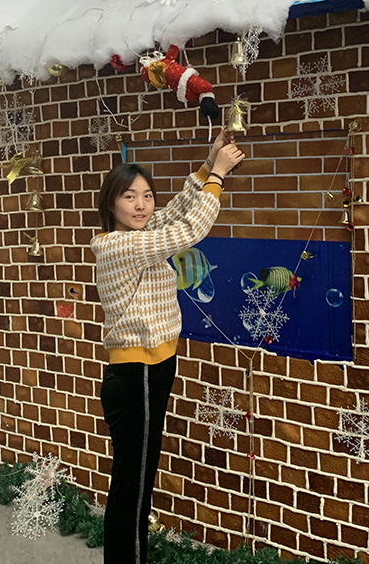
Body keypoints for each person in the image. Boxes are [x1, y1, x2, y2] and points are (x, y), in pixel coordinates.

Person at [91, 128, 244, 564]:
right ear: (110, 204)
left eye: (146, 196)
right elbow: (189, 229)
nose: (141, 205)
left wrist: (206, 165)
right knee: (134, 484)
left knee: (138, 478)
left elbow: (174, 212)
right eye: (129, 197)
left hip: (154, 367)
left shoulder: (138, 234)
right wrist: (218, 176)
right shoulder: (119, 246)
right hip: (135, 374)